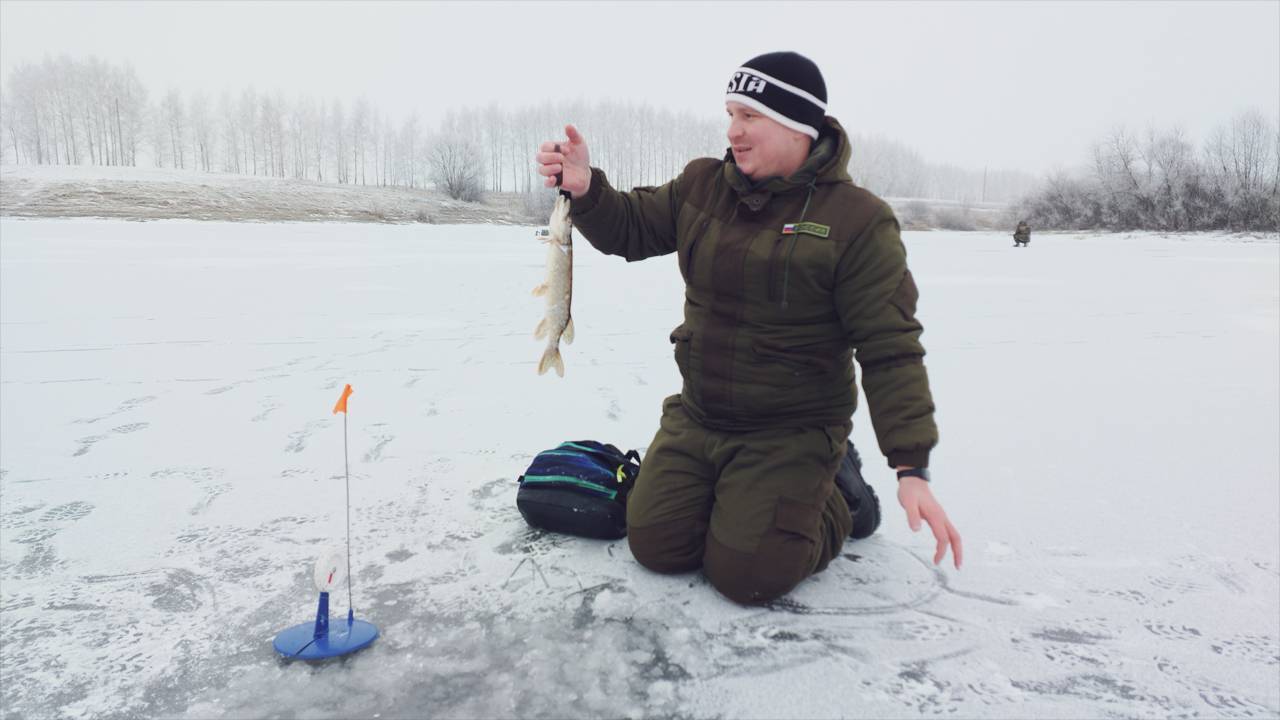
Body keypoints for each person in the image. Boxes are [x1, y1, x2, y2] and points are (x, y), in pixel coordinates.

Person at [535, 51, 962, 605]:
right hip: (701, 412)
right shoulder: (704, 186)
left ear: (798, 127)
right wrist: (587, 188)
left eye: (749, 116)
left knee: (748, 574)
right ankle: (742, 498)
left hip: (791, 426)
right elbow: (633, 227)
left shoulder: (858, 221)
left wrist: (911, 465)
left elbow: (890, 347)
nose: (732, 131)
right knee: (656, 545)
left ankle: (838, 494)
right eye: (730, 113)